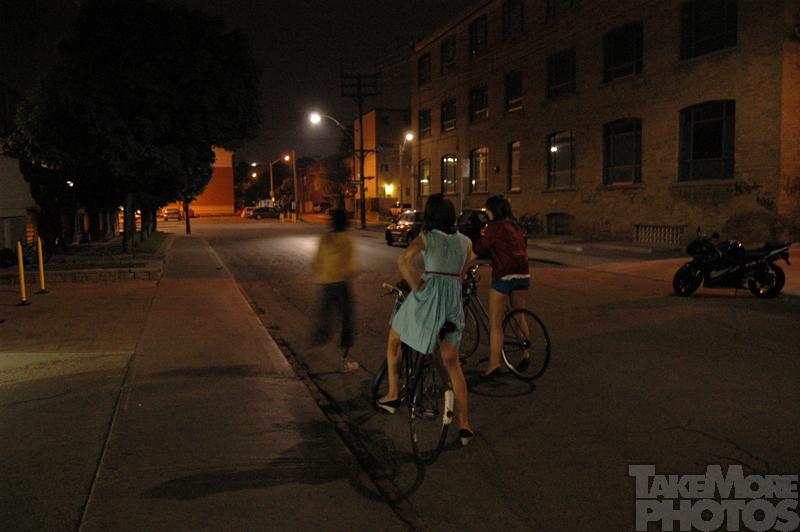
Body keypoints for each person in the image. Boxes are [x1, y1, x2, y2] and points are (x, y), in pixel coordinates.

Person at [376, 193, 475, 446]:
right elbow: (466, 268)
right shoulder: (465, 241)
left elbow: (403, 260)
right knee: (453, 364)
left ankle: (393, 393)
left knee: (394, 338)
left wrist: (416, 286)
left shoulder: (427, 237)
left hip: (429, 299)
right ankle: (465, 425)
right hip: (453, 305)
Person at [473, 196, 530, 378]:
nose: (486, 214)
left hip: (504, 275)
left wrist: (463, 266)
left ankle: (494, 365)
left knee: (496, 324)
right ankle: (525, 353)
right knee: (519, 315)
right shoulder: (518, 226)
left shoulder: (495, 227)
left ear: (494, 211)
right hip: (523, 274)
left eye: (487, 210)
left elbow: (478, 249)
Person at [311, 208, 359, 372]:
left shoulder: (324, 239)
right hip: (341, 285)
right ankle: (344, 361)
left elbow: (315, 263)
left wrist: (322, 275)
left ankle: (312, 354)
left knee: (325, 319)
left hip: (325, 284)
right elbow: (352, 267)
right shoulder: (346, 241)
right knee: (347, 322)